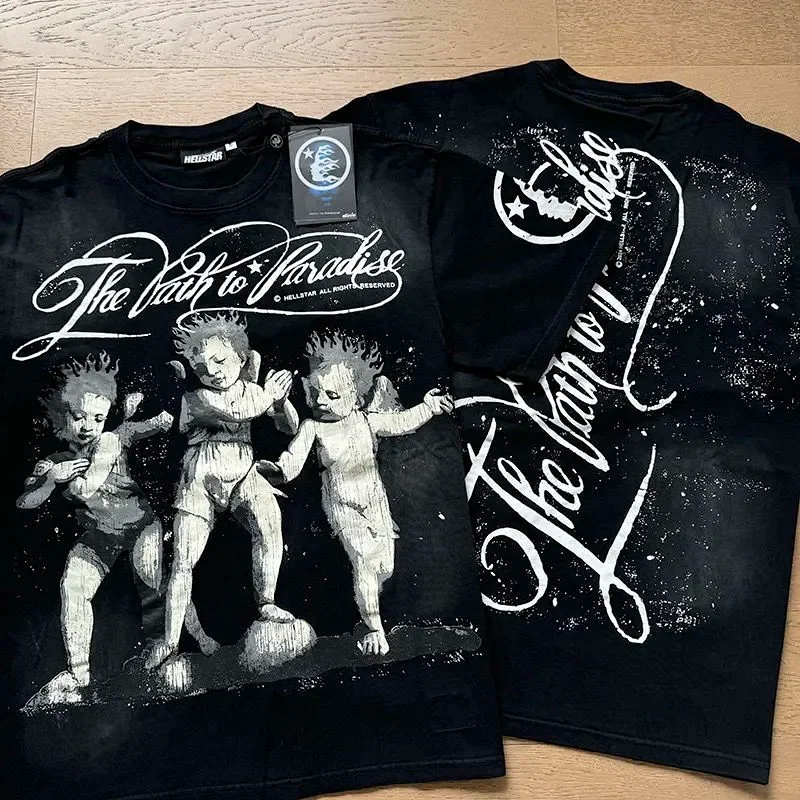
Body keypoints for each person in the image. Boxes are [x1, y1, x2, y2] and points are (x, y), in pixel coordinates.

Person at [17, 353, 215, 703]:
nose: (87, 426)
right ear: (61, 416)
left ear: (107, 416)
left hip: (141, 527)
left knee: (154, 584)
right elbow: (25, 502)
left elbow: (90, 484)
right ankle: (78, 674)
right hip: (98, 535)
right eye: (78, 417)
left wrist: (166, 397)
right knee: (73, 587)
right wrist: (48, 479)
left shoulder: (111, 439)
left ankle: (170, 650)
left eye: (98, 417)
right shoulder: (54, 462)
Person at [258, 330, 453, 657]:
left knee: (383, 567)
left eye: (332, 394)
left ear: (357, 396)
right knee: (363, 561)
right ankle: (375, 628)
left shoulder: (366, 421)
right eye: (315, 393)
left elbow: (402, 422)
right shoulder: (313, 427)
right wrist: (275, 471)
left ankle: (366, 613)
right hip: (342, 509)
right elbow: (292, 462)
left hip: (376, 507)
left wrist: (428, 407)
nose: (321, 401)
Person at [148, 312, 299, 669]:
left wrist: (281, 402)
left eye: (220, 361)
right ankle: (169, 642)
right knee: (184, 560)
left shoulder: (252, 390)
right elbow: (236, 412)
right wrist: (268, 395)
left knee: (269, 522)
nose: (212, 372)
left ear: (241, 358)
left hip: (243, 472)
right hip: (200, 478)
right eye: (202, 368)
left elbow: (289, 427)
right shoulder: (194, 399)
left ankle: (266, 602)